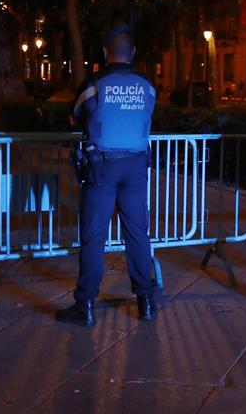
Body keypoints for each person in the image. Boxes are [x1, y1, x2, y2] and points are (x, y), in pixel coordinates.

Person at [56, 24, 158, 326]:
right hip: (136, 168)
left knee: (94, 236)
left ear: (105, 52)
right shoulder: (148, 86)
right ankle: (146, 302)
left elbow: (74, 117)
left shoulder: (94, 85)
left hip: (102, 168)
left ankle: (85, 305)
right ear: (133, 53)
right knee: (138, 234)